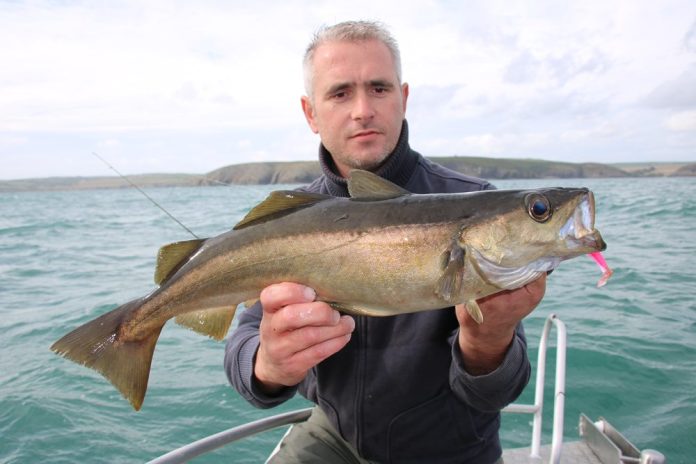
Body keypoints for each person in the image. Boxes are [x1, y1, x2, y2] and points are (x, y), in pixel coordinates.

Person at [224, 20, 546, 464]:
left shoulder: (478, 207)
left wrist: (488, 339)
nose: (362, 110)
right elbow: (242, 343)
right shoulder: (286, 220)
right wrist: (268, 366)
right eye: (340, 93)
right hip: (335, 434)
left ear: (403, 97)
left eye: (379, 88)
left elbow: (495, 393)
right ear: (310, 113)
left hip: (447, 448)